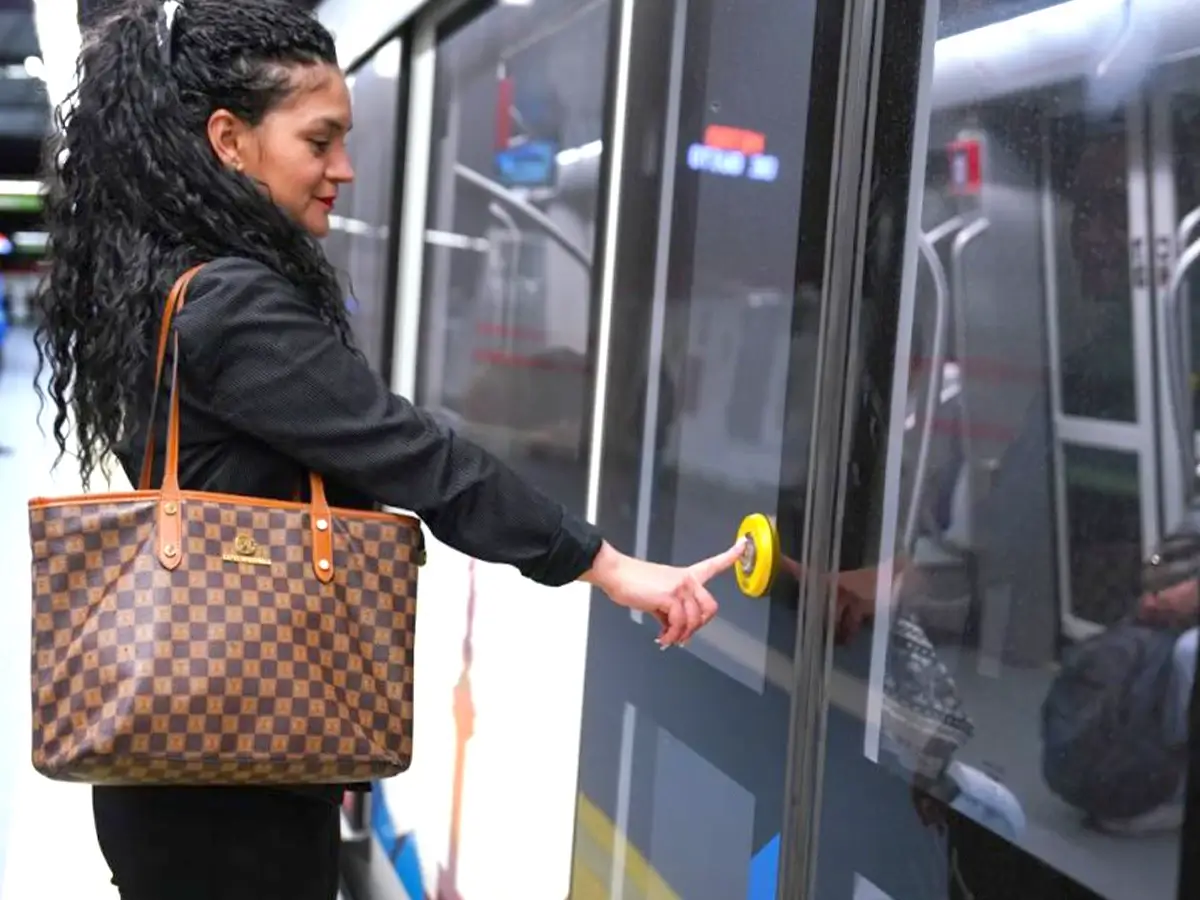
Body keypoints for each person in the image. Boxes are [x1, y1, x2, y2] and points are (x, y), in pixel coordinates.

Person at [33, 1, 743, 897]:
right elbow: (415, 455)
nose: (345, 168)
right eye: (320, 139)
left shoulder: (167, 279)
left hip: (198, 759)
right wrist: (603, 563)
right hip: (223, 789)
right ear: (230, 139)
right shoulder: (232, 306)